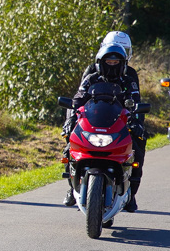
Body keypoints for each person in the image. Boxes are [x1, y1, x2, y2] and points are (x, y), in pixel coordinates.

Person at [62, 41, 145, 211]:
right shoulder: (91, 79)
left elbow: (136, 103)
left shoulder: (129, 82)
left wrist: (136, 122)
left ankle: (131, 196)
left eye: (116, 62)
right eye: (109, 62)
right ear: (100, 63)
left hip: (119, 125)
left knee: (138, 149)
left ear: (122, 64)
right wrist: (70, 120)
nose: (112, 66)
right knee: (69, 147)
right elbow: (78, 99)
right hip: (93, 124)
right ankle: (72, 188)